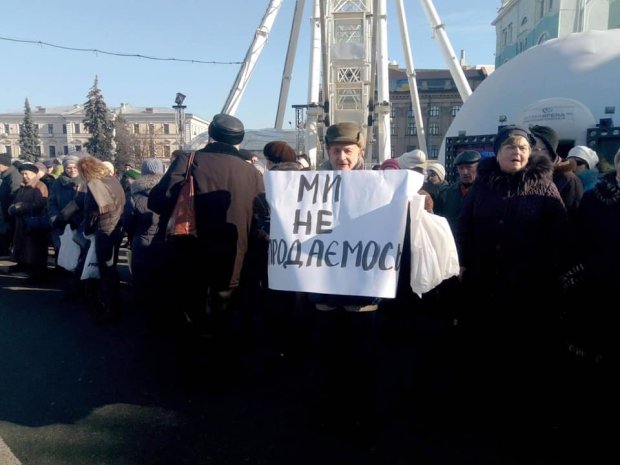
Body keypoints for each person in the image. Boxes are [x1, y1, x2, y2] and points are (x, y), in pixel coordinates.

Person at [455, 124, 570, 430]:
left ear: (530, 153)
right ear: (498, 151)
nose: (516, 153)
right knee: (487, 346)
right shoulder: (482, 186)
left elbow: (559, 235)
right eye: (510, 147)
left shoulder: (545, 186)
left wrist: (548, 271)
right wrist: (464, 262)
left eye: (522, 148)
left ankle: (522, 413)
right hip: (485, 283)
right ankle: (486, 408)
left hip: (528, 286)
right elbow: (464, 226)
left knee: (524, 350)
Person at [148, 114, 265, 382]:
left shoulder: (189, 160)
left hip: (190, 250)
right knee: (225, 312)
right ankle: (222, 370)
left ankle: (190, 369)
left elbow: (159, 200)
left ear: (211, 134)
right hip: (236, 255)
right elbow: (261, 214)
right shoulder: (252, 173)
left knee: (190, 309)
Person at [77, 155, 126, 324]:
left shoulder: (95, 183)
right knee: (110, 267)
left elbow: (98, 209)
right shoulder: (112, 179)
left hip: (105, 228)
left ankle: (111, 308)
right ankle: (114, 302)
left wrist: (88, 228)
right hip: (117, 227)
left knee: (105, 269)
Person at [122, 157, 166, 332]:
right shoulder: (169, 191)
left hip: (142, 241)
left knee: (143, 282)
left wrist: (133, 237)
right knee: (163, 280)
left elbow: (128, 222)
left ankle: (148, 321)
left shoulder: (134, 193)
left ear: (143, 172)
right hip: (165, 242)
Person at [7, 162, 50, 283]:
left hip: (35, 222)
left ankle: (38, 275)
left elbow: (40, 204)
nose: (24, 176)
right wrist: (12, 208)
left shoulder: (40, 186)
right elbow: (16, 201)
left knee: (35, 249)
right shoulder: (22, 187)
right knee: (23, 246)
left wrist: (22, 206)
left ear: (34, 174)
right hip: (22, 221)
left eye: (27, 174)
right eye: (22, 174)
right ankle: (25, 267)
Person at [530, 125, 584, 216]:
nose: (536, 153)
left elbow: (573, 218)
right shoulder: (524, 175)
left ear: (551, 151)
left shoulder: (568, 179)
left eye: (542, 149)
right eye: (532, 148)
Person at [434, 150, 481, 231]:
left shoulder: (487, 193)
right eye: (461, 168)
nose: (465, 172)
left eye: (469, 167)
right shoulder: (446, 194)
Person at [0, 160, 23, 256]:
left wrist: (11, 209)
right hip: (6, 210)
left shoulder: (14, 175)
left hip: (11, 211)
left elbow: (15, 194)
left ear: (3, 165)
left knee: (10, 232)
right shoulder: (6, 175)